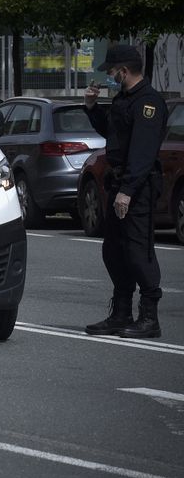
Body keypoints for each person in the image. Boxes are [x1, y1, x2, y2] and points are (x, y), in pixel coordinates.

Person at [83, 43, 167, 339]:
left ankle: (149, 317)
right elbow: (113, 134)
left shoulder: (149, 103)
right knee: (114, 251)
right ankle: (121, 313)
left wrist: (128, 191)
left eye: (112, 71)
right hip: (119, 184)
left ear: (125, 70)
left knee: (137, 252)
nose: (110, 76)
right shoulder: (124, 99)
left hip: (137, 189)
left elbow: (142, 154)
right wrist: (92, 108)